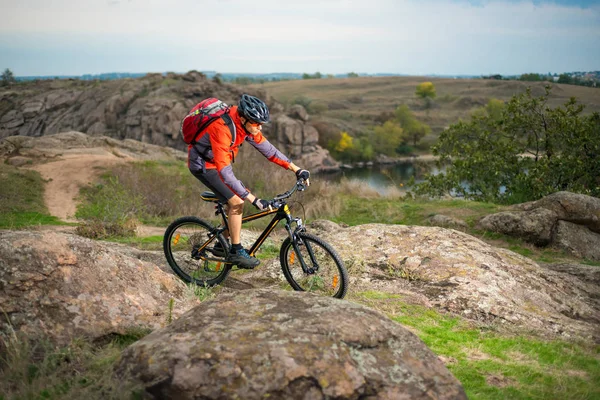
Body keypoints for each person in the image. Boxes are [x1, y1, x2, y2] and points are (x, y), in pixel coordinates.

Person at [188, 94, 310, 269]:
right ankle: (236, 251)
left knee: (232, 200)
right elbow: (225, 172)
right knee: (237, 202)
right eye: (256, 124)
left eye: (261, 124)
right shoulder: (221, 128)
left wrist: (296, 169)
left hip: (218, 164)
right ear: (244, 118)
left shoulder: (246, 126)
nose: (259, 128)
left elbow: (270, 151)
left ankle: (220, 246)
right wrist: (254, 199)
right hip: (204, 166)